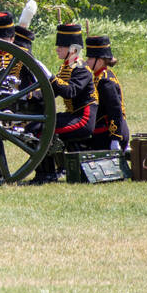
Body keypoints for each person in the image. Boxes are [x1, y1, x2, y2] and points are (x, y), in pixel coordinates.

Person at [27, 21, 98, 183]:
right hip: (73, 115)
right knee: (33, 127)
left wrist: (50, 77)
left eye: (62, 46)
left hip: (83, 119)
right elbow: (52, 92)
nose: (57, 48)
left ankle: (47, 174)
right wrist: (29, 96)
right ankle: (49, 171)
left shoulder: (81, 68)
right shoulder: (67, 67)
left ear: (73, 49)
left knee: (41, 131)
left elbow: (69, 91)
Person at [84, 35, 129, 153]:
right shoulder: (101, 76)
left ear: (99, 61)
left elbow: (115, 109)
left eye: (89, 58)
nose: (86, 61)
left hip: (109, 133)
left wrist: (115, 138)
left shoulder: (104, 81)